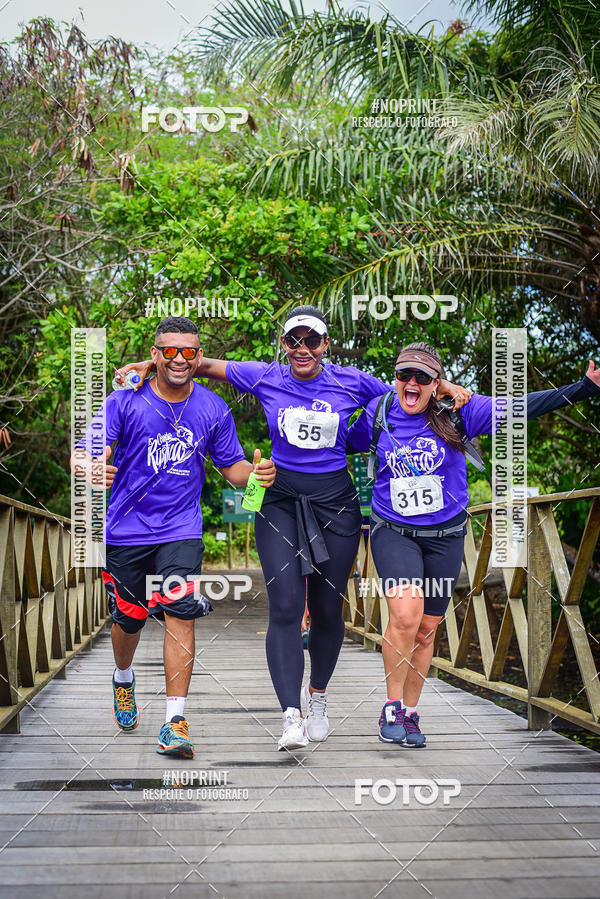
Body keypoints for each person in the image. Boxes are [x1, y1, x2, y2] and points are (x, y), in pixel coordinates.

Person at [116, 307, 470, 750]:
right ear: (284, 345)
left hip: (335, 504)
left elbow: (408, 395)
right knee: (284, 606)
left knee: (325, 610)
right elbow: (197, 363)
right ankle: (291, 716)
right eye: (293, 341)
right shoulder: (265, 376)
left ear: (325, 345)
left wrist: (449, 389)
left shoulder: (353, 381)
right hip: (277, 498)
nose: (302, 349)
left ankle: (317, 698)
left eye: (312, 341)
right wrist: (151, 364)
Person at [347, 341, 600, 748]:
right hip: (393, 529)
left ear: (436, 383)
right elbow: (339, 444)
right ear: (395, 379)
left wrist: (583, 388)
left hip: (445, 535)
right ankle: (391, 707)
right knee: (407, 616)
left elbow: (521, 406)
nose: (411, 383)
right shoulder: (379, 411)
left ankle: (411, 713)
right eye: (403, 375)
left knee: (428, 629)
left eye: (422, 377)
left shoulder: (460, 411)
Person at [71, 316, 275, 759]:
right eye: (169, 350)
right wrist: (88, 469)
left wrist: (258, 477)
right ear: (156, 353)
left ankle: (175, 720)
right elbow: (83, 454)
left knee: (180, 609)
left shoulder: (212, 408)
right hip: (126, 530)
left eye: (189, 351)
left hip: (181, 529)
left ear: (199, 356)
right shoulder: (126, 400)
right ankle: (123, 679)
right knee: (130, 617)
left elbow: (233, 470)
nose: (179, 358)